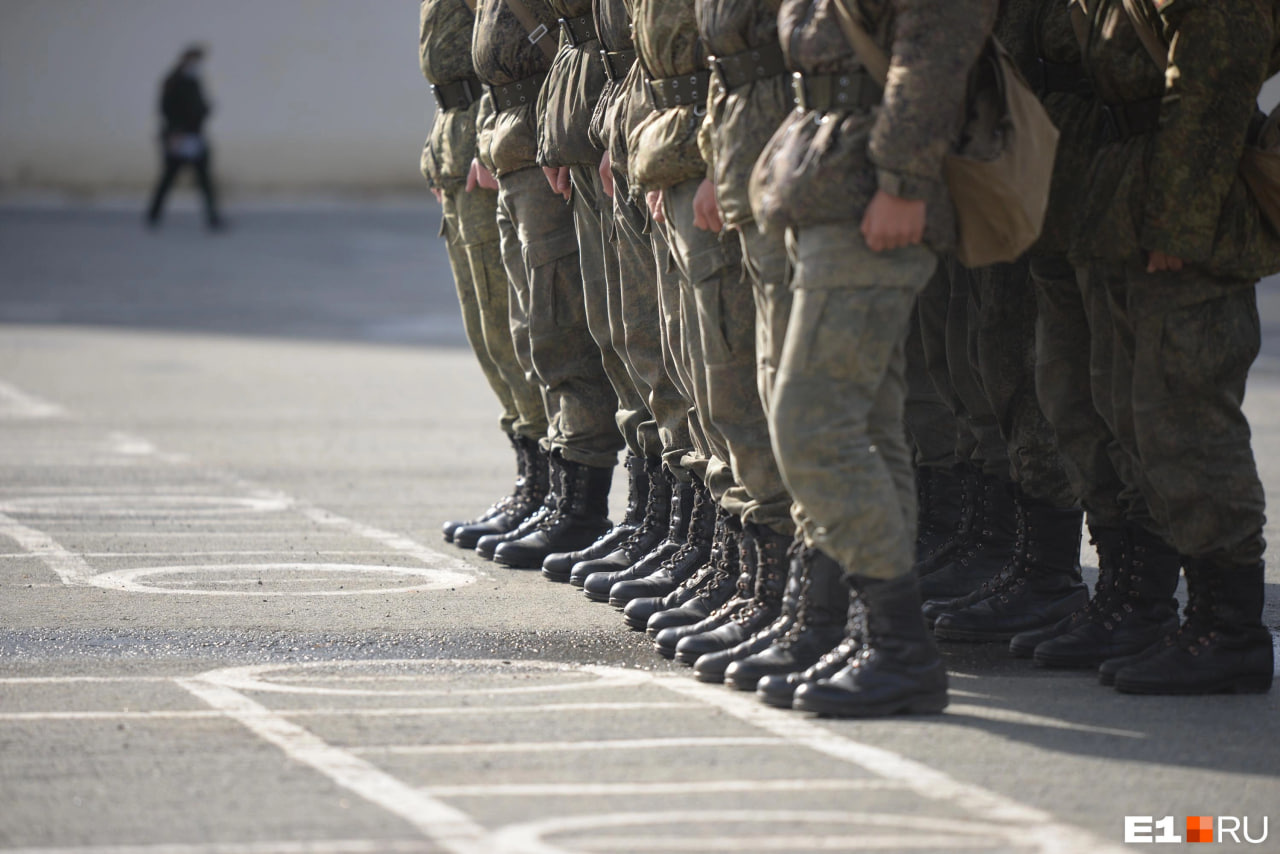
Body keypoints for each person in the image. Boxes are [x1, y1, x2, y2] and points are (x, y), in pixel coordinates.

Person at [750, 0, 996, 716]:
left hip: (871, 197)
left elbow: (935, 55)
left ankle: (902, 648)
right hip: (825, 186)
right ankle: (873, 637)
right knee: (869, 427)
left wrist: (902, 181)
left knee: (813, 426)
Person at [419, 0, 552, 551]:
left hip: (486, 131)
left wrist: (485, 139)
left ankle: (550, 488)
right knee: (486, 331)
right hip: (457, 139)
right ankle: (531, 479)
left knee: (510, 323)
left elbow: (515, 43)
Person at [145, 45, 223, 231]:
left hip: (195, 136)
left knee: (204, 180)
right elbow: (167, 109)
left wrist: (206, 109)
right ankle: (153, 215)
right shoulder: (174, 81)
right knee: (169, 177)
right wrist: (175, 131)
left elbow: (197, 108)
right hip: (179, 137)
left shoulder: (193, 80)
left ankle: (212, 218)